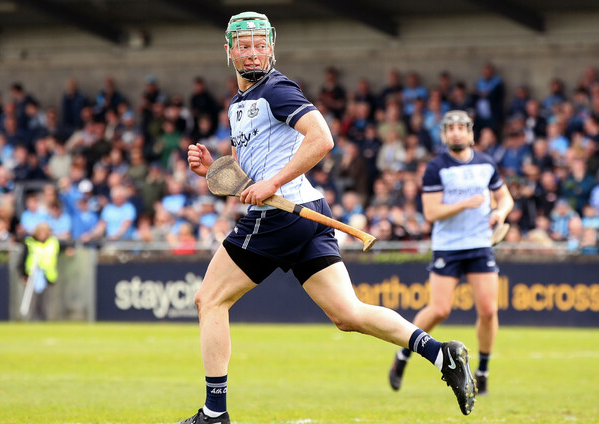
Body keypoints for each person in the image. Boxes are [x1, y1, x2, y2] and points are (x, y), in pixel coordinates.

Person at [176, 12, 477, 424]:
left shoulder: (276, 89)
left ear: (271, 47)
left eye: (260, 45)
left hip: (279, 216)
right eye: (244, 46)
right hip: (308, 213)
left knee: (209, 300)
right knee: (347, 314)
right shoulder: (238, 104)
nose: (253, 53)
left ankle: (214, 414)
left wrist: (273, 183)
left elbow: (322, 139)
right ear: (229, 51)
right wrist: (214, 169)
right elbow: (252, 176)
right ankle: (441, 354)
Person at [388, 110, 514, 397]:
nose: (456, 132)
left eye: (461, 127)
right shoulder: (436, 167)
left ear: (470, 133)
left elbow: (505, 198)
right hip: (448, 246)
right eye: (451, 128)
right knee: (440, 309)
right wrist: (465, 204)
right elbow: (431, 213)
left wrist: (500, 212)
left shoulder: (486, 163)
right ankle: (403, 355)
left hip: (480, 244)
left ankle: (483, 372)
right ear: (444, 135)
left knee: (488, 310)